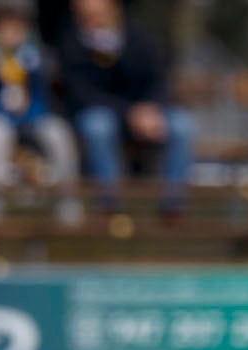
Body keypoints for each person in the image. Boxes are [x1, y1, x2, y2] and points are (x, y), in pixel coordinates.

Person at [59, 0, 192, 216]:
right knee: (97, 127)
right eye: (86, 16)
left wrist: (152, 108)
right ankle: (110, 204)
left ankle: (173, 205)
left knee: (182, 126)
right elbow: (81, 94)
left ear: (113, 10)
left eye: (97, 14)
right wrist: (130, 113)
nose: (93, 21)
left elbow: (160, 81)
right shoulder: (72, 44)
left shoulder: (141, 38)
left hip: (147, 113)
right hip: (105, 113)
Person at [0, 0, 80, 226]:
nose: (12, 34)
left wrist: (27, 112)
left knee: (58, 132)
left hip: (27, 118)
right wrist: (7, 112)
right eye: (6, 28)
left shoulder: (33, 57)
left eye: (17, 29)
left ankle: (68, 204)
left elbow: (40, 98)